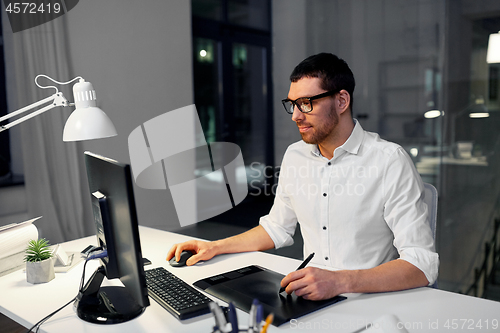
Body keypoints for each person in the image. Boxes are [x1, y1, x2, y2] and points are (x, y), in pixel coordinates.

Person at [167, 53, 439, 301]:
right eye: (292, 104)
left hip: (369, 300)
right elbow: (276, 228)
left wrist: (340, 281)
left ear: (341, 101)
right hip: (310, 298)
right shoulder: (295, 155)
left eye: (306, 103)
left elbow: (422, 263)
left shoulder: (389, 160)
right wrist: (215, 246)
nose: (296, 116)